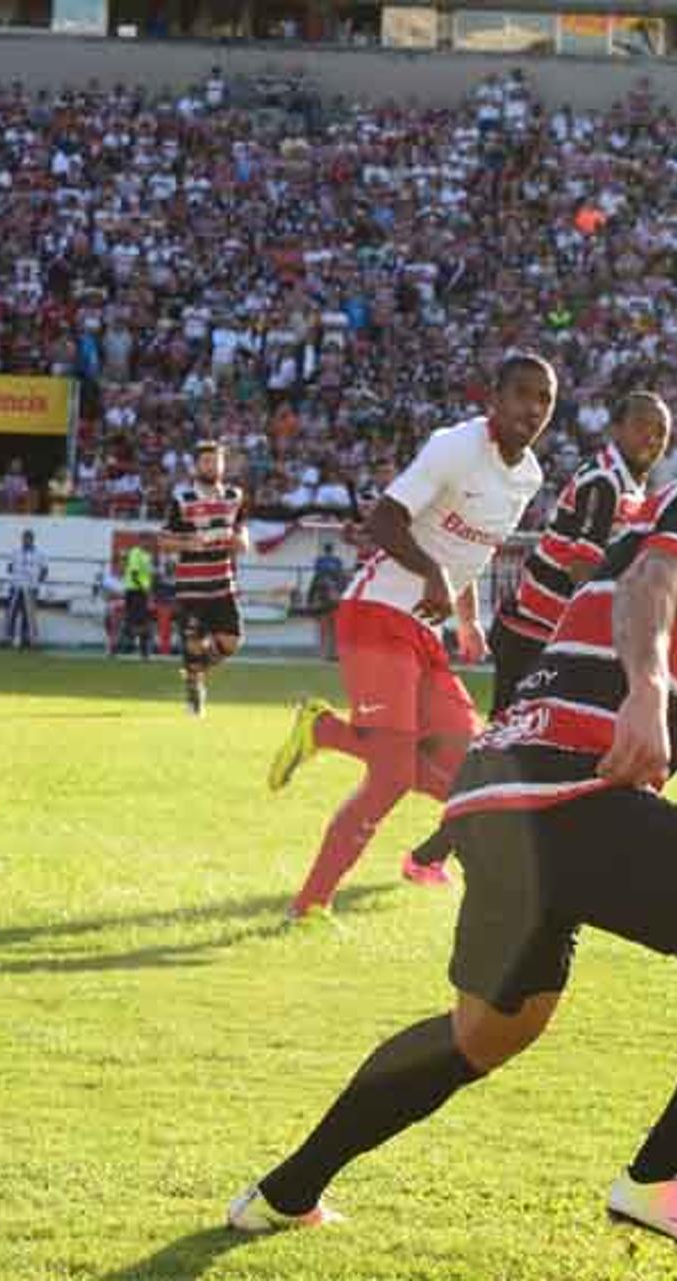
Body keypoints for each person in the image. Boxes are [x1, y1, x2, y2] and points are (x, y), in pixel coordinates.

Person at [227, 331, 677, 1266]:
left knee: (487, 1031)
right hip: (566, 794)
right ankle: (667, 1173)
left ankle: (284, 1192)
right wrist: (641, 689)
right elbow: (651, 581)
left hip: (507, 798)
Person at [266, 354, 556, 912]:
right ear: (493, 398)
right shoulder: (455, 446)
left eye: (544, 399)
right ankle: (309, 906)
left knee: (469, 770)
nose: (533, 408)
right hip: (377, 612)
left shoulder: (529, 477)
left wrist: (467, 619)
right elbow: (383, 520)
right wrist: (431, 574)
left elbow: (471, 552)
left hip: (425, 633)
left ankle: (327, 736)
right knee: (393, 773)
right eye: (521, 393)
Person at [405, 391, 674, 876]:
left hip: (553, 636)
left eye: (661, 431)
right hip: (533, 632)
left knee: (527, 748)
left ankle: (446, 849)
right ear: (616, 427)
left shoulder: (631, 485)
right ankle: (438, 847)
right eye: (643, 426)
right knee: (506, 748)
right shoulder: (604, 482)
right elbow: (582, 564)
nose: (652, 438)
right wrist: (610, 629)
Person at [161, 441, 250, 716]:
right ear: (196, 466)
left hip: (223, 584)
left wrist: (241, 541)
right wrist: (190, 542)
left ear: (224, 465)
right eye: (206, 461)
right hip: (191, 588)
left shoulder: (235, 496)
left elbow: (241, 530)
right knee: (194, 641)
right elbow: (164, 540)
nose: (212, 466)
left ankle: (194, 671)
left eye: (216, 461)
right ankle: (194, 684)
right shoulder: (182, 500)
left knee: (233, 641)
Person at [4, 529, 48, 650]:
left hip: (31, 588)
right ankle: (9, 638)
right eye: (24, 538)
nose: (26, 540)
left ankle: (28, 639)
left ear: (32, 539)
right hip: (16, 586)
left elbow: (44, 570)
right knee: (11, 613)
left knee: (28, 615)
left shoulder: (40, 553)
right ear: (22, 539)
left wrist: (37, 582)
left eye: (28, 538)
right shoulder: (16, 551)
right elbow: (9, 567)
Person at [115, 539, 155, 660]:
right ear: (142, 541)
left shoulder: (147, 555)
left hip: (142, 592)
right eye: (147, 541)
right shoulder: (135, 553)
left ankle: (141, 651)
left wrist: (148, 589)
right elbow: (134, 573)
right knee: (136, 622)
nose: (149, 544)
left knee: (140, 621)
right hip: (135, 591)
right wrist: (144, 588)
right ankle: (119, 647)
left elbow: (145, 574)